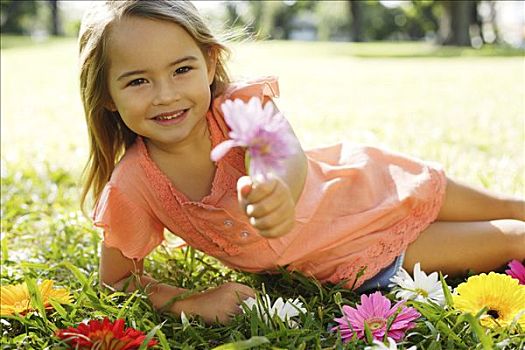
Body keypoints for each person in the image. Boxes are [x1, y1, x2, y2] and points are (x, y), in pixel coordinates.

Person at [78, 0, 525, 325]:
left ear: (210, 62)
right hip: (357, 254)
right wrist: (192, 302)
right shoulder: (134, 184)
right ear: (107, 98)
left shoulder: (239, 108)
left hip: (374, 184)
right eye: (137, 80)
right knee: (514, 239)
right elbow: (117, 281)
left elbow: (283, 152)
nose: (166, 94)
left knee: (512, 207)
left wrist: (277, 187)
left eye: (182, 70)